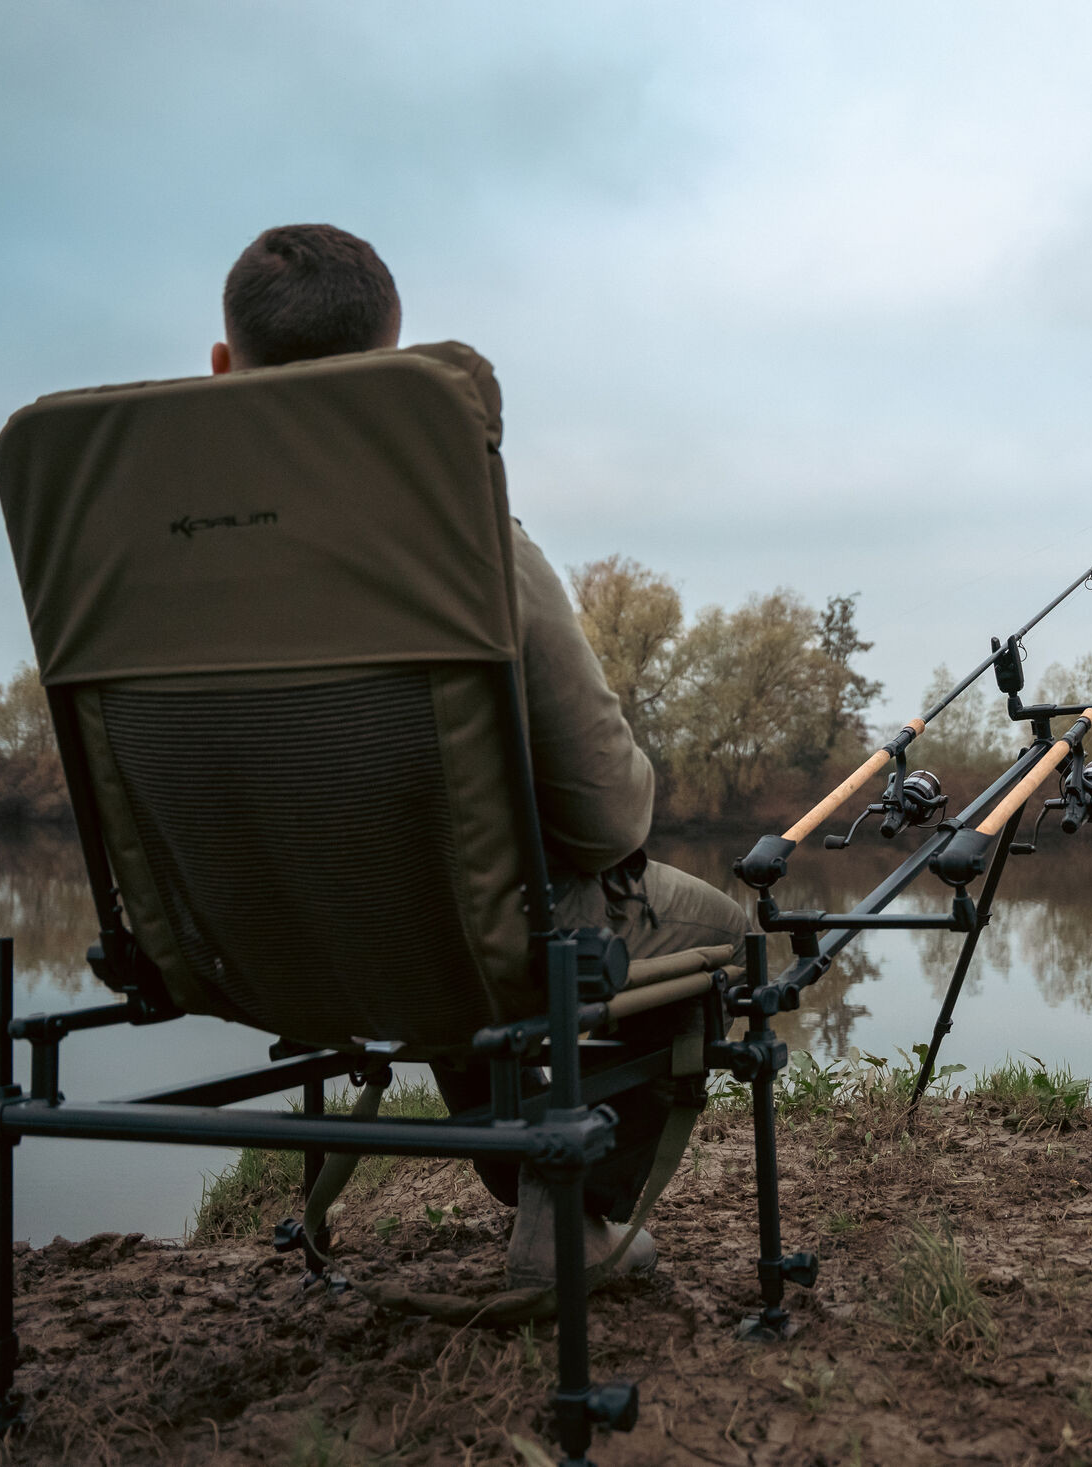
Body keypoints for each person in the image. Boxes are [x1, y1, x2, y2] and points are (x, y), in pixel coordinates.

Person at [212, 223, 747, 1284]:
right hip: (454, 937)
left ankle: (526, 1171)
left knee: (449, 923)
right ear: (392, 374)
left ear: (223, 368)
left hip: (236, 939)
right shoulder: (472, 544)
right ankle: (567, 1214)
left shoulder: (157, 559)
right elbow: (607, 817)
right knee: (727, 938)